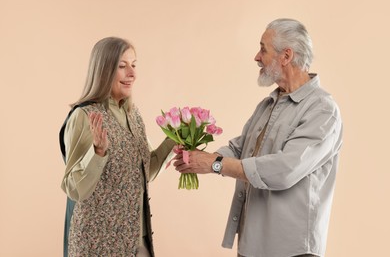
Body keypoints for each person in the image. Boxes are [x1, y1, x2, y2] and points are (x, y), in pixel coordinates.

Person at [173, 18, 343, 257]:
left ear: (286, 56)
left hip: (291, 250)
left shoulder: (322, 110)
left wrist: (216, 164)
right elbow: (240, 148)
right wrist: (198, 158)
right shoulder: (269, 104)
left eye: (263, 49)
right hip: (252, 245)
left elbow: (285, 170)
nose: (256, 57)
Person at [60, 37, 175, 257]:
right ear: (103, 71)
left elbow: (143, 172)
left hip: (136, 240)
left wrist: (177, 138)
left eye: (134, 65)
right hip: (96, 243)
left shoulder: (133, 114)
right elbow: (74, 189)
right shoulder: (83, 116)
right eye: (122, 66)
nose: (132, 73)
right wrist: (97, 153)